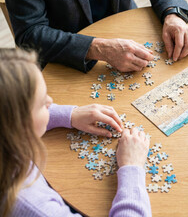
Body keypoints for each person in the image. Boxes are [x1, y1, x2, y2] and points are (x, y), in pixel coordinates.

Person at [0, 49, 151, 217]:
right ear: (19, 123)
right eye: (43, 102)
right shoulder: (35, 207)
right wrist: (132, 167)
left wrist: (68, 115)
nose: (51, 101)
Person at [4, 0, 188, 73]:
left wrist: (174, 13)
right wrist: (98, 48)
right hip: (67, 58)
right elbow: (30, 33)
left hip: (126, 28)